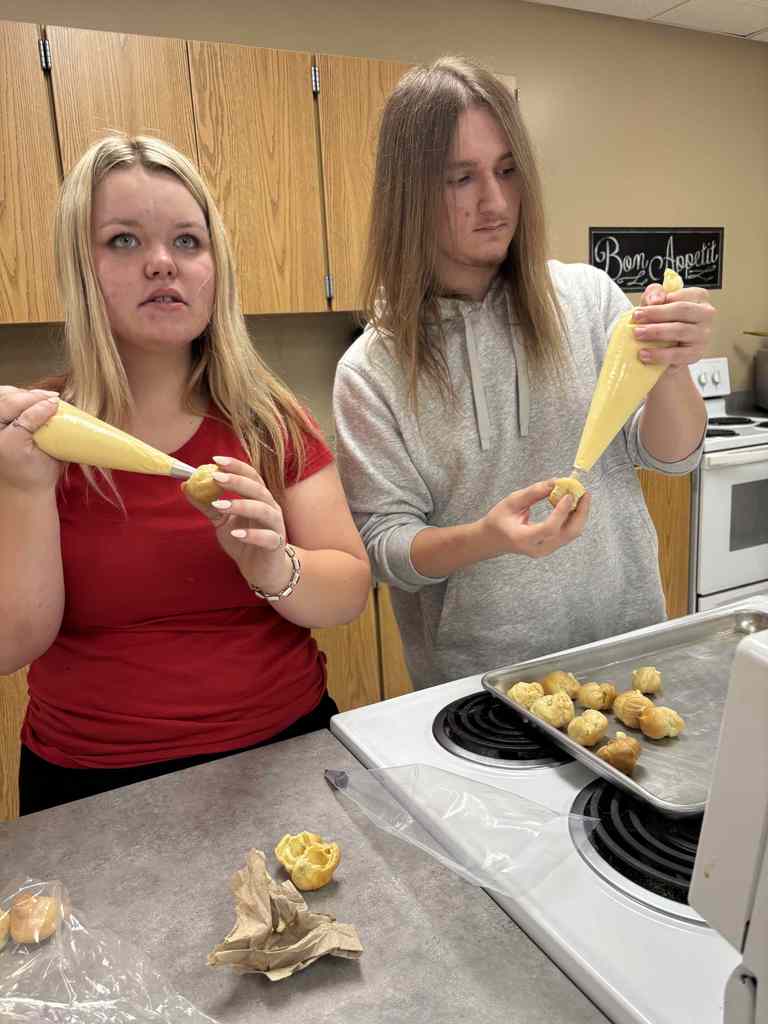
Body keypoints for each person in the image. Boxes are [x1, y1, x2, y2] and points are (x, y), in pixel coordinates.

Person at [0, 134, 370, 813]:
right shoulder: (32, 441)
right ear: (80, 267)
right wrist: (24, 488)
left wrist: (271, 563)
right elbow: (12, 645)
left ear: (215, 268)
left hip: (284, 756)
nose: (162, 264)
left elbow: (347, 591)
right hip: (91, 788)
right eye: (123, 241)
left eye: (187, 242)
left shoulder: (269, 421)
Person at [333, 56, 713, 690]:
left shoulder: (589, 301)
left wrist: (672, 367)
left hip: (628, 655)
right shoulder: (371, 372)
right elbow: (386, 549)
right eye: (461, 178)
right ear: (407, 193)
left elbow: (673, 458)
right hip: (485, 690)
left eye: (508, 171)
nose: (495, 201)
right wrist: (486, 538)